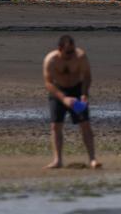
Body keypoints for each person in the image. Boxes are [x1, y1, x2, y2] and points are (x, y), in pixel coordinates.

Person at [43, 35, 100, 169]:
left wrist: (84, 94)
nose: (71, 54)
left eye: (73, 51)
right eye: (68, 52)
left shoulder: (80, 57)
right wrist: (63, 98)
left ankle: (92, 159)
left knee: (85, 124)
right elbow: (48, 83)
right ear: (60, 49)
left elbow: (87, 77)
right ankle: (58, 160)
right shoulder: (51, 60)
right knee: (56, 126)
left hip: (76, 91)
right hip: (58, 91)